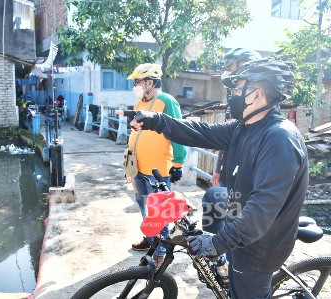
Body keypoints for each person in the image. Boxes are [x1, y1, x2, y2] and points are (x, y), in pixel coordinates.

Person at [119, 59, 308, 299]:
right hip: (242, 228)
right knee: (213, 195)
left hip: (260, 246)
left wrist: (218, 242)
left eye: (237, 90)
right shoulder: (245, 127)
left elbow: (262, 209)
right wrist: (155, 120)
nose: (232, 96)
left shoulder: (279, 138)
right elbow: (201, 131)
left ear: (257, 95)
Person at [126, 63, 187, 267]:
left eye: (138, 82)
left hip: (157, 170)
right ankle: (151, 239)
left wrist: (178, 163)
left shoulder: (166, 101)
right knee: (144, 206)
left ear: (149, 83)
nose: (135, 86)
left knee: (159, 212)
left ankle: (161, 250)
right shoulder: (139, 104)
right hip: (138, 167)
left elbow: (178, 132)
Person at [204, 48, 262, 234]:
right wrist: (218, 169)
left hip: (248, 178)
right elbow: (226, 141)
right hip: (230, 170)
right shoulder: (234, 104)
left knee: (237, 219)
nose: (228, 71)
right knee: (221, 211)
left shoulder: (261, 110)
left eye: (231, 66)